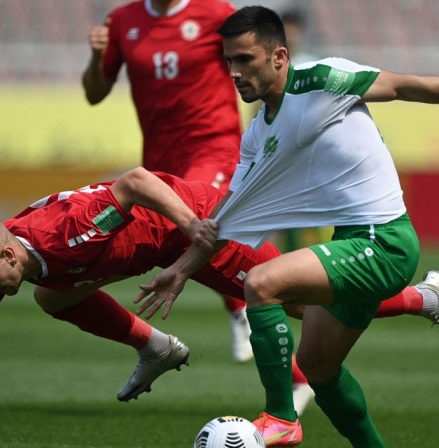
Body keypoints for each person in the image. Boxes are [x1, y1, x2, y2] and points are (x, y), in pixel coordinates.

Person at [134, 6, 439, 447]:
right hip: (350, 242)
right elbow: (230, 215)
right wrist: (181, 269)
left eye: (245, 60)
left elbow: (403, 84)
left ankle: (280, 416)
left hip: (384, 242)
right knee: (318, 367)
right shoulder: (256, 136)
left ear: (279, 57)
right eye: (229, 61)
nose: (234, 72)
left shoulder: (321, 79)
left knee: (262, 283)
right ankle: (423, 313)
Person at [0, 168, 439, 415]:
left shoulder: (64, 234)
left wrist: (194, 234)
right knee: (53, 296)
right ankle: (155, 346)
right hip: (161, 251)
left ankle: (427, 296)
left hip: (199, 226)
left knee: (295, 300)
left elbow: (134, 181)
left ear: (5, 254)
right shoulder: (22, 263)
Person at [81, 0, 255, 363]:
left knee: (195, 222)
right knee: (180, 235)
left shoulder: (215, 12)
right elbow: (95, 94)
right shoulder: (123, 20)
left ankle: (244, 305)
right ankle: (238, 306)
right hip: (160, 158)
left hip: (214, 145)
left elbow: (252, 58)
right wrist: (97, 57)